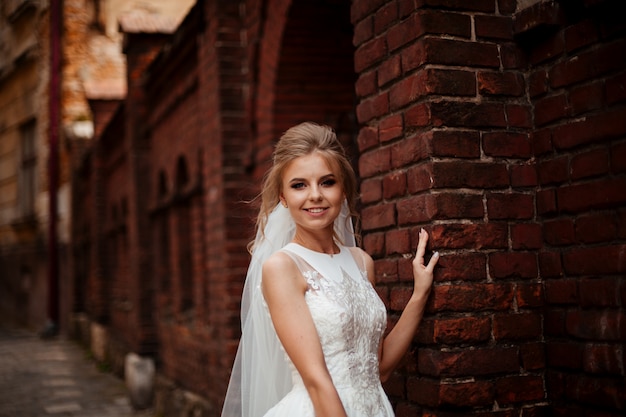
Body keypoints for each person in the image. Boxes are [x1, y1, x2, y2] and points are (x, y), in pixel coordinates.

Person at [221, 122, 439, 417]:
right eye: (299, 185)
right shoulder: (283, 267)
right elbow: (315, 380)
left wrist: (420, 295)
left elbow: (381, 367)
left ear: (344, 190)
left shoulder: (362, 262)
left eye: (327, 182)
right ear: (283, 197)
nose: (315, 195)